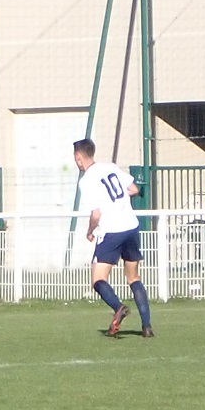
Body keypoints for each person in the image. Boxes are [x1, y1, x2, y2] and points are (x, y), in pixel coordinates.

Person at [74, 139, 153, 337]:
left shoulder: (86, 180)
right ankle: (147, 326)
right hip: (131, 226)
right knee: (133, 277)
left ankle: (118, 307)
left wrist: (90, 231)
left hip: (112, 231)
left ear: (78, 157)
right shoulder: (110, 167)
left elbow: (96, 214)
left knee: (98, 279)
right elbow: (134, 189)